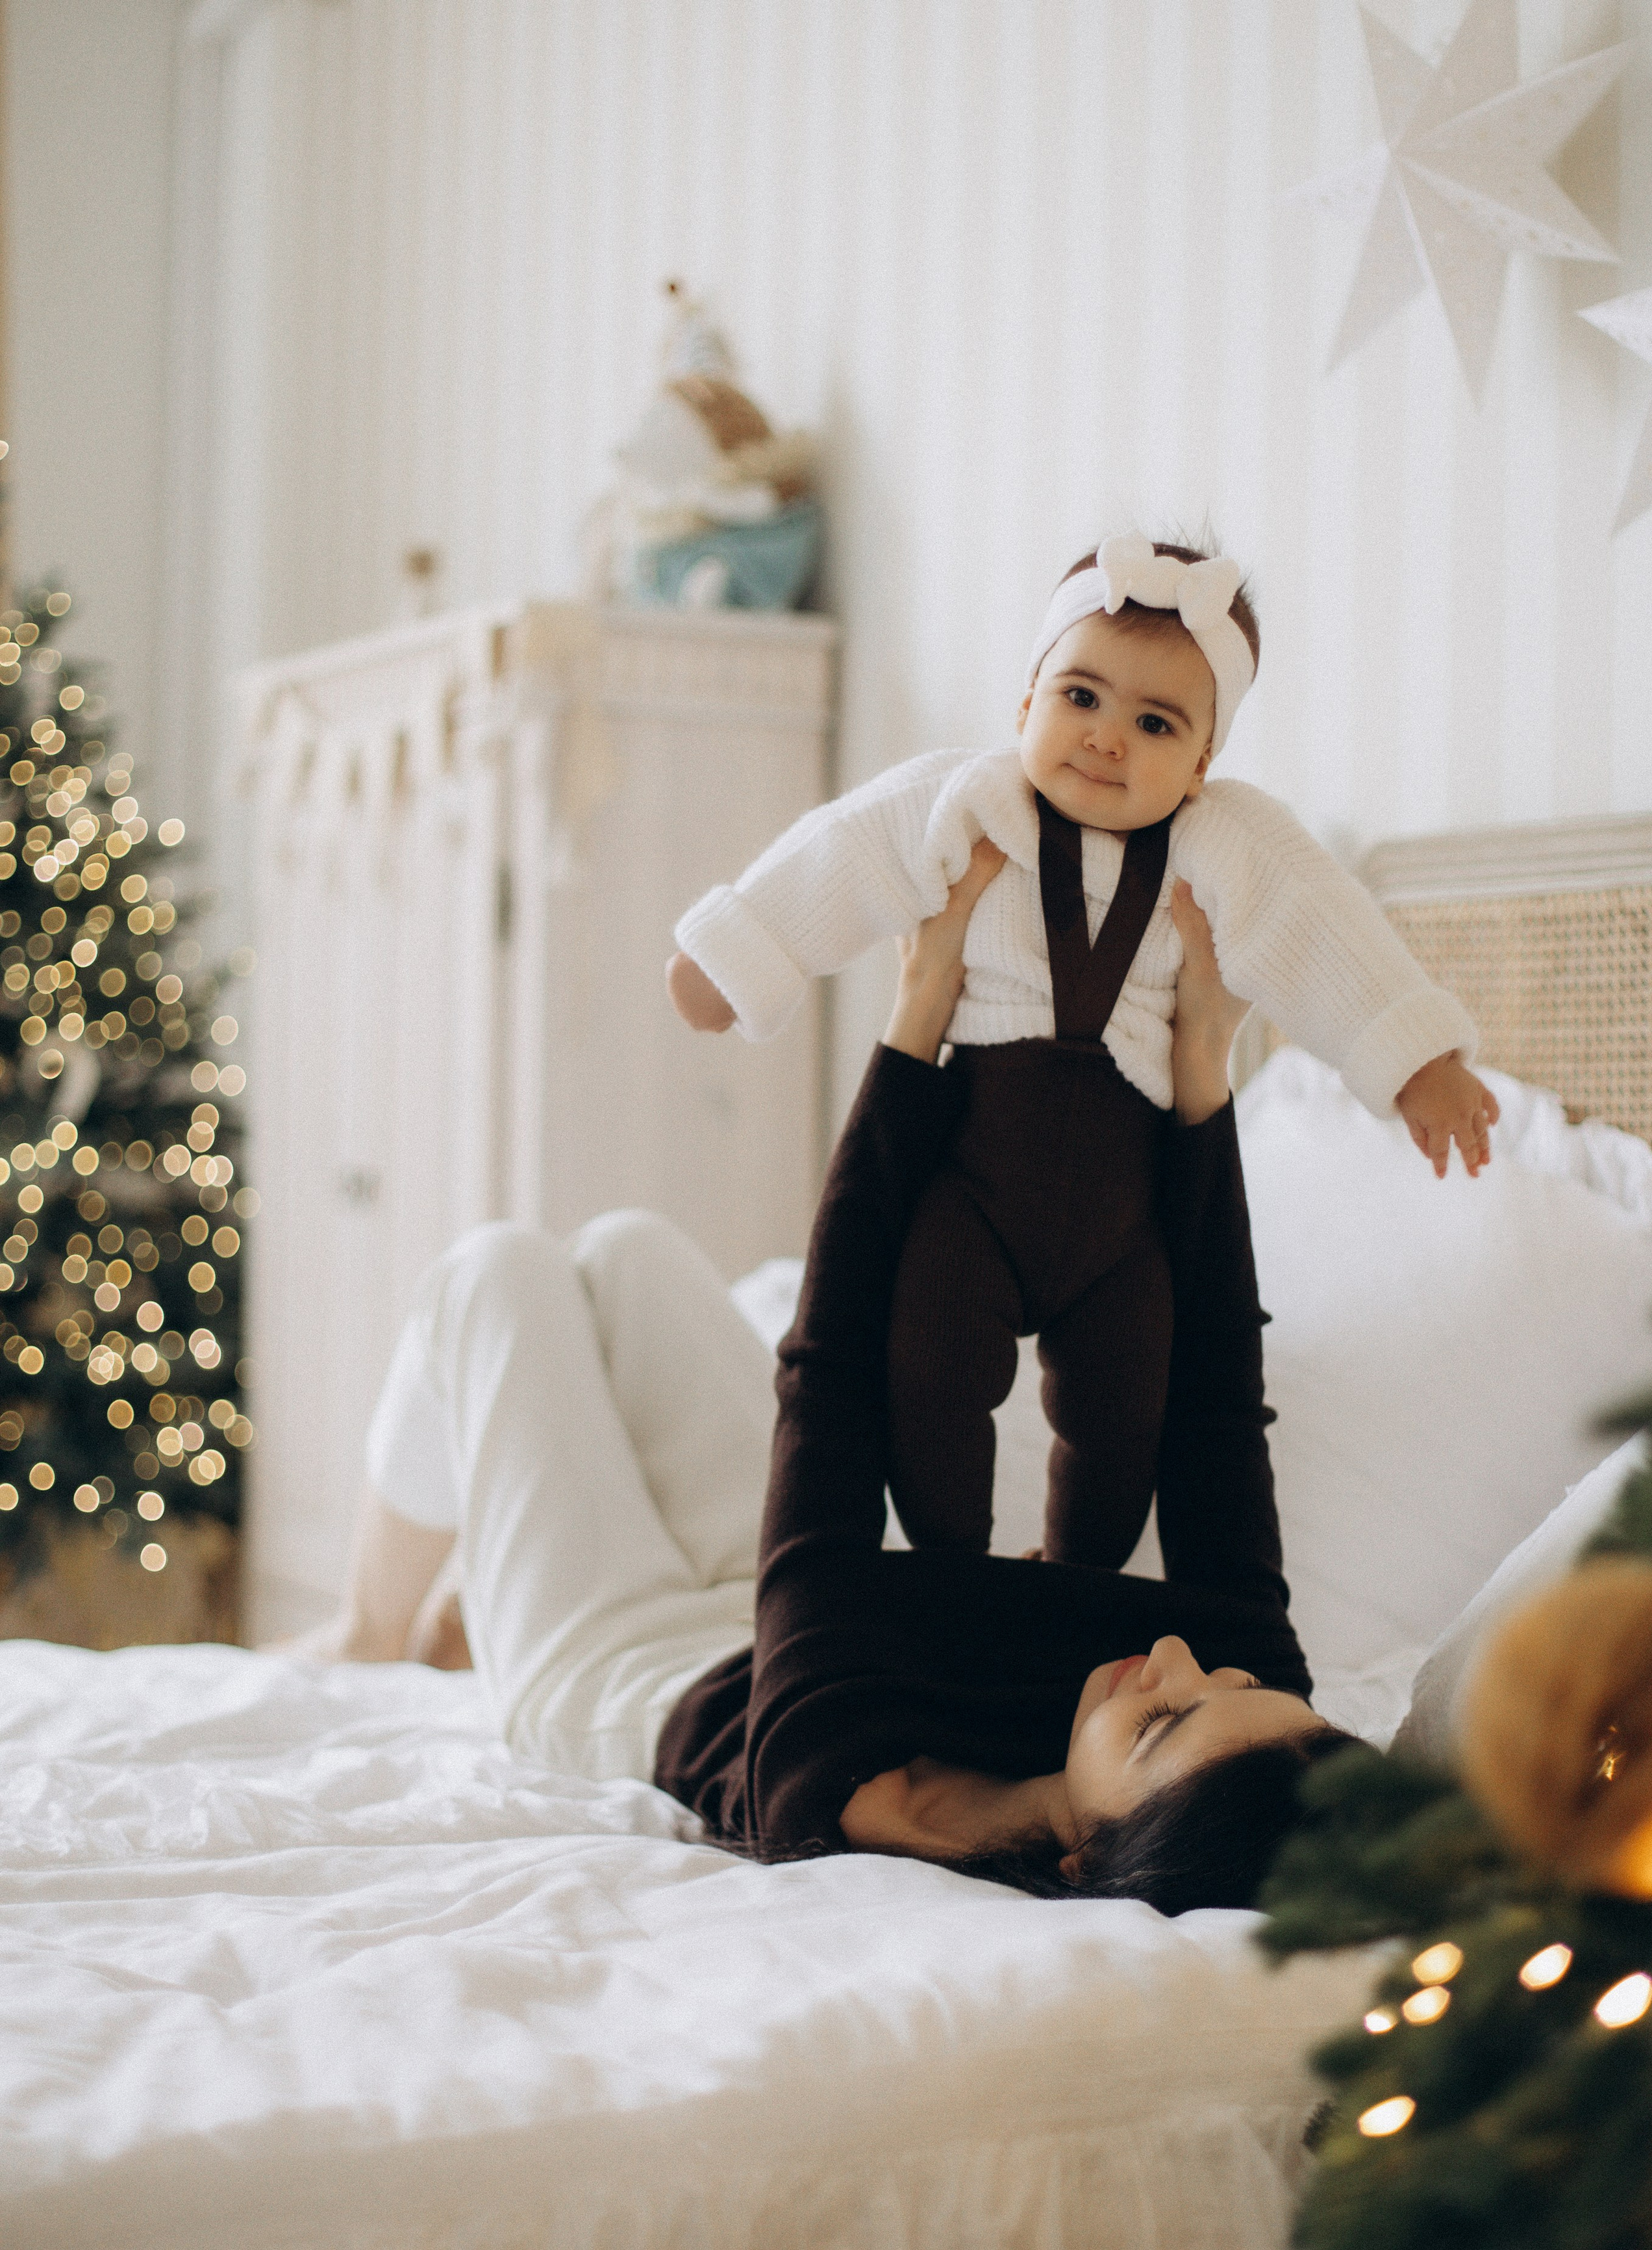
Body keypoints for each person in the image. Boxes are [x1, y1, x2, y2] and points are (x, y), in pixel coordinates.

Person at [297, 851, 1362, 1914]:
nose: (1180, 1656)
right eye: (1231, 1684)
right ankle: (474, 1600)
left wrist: (917, 1026)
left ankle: (369, 1633)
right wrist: (1202, 1068)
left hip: (632, 1679)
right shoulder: (1260, 1740)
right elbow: (1217, 1396)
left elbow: (835, 1381)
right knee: (628, 1254)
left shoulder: (859, 1803)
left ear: (1085, 1860)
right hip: (769, 1603)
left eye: (1163, 1719)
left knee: (496, 1276)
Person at [666, 534, 1500, 1569]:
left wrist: (1416, 1061)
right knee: (925, 1370)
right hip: (969, 1184)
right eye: (1081, 698)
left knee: (1127, 1413)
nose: (1108, 738)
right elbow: (848, 852)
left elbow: (1318, 924)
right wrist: (742, 952)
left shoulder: (1221, 843)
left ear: (1202, 765)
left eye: (1155, 722)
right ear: (1024, 707)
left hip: (1124, 1220)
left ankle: (1072, 1585)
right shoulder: (974, 803)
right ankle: (954, 1569)